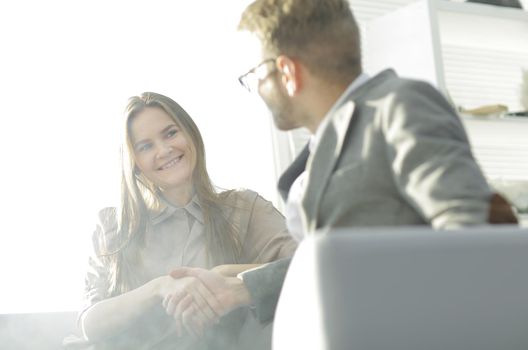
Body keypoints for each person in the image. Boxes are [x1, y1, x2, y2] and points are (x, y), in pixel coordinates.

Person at [165, 0, 518, 336]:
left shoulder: (398, 106)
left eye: (256, 73)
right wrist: (239, 287)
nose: (255, 87)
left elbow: (472, 246)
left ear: (287, 72)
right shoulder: (321, 147)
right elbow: (349, 258)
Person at [68, 92, 297, 350]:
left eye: (170, 133)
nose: (164, 150)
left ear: (190, 134)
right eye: (145, 146)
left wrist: (222, 274)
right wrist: (162, 287)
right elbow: (91, 322)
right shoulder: (113, 225)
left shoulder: (244, 209)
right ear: (134, 163)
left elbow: (306, 266)